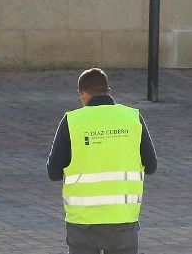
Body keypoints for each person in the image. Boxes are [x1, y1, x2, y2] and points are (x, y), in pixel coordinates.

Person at [47, 68, 158, 254]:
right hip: (122, 220)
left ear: (82, 94)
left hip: (82, 223)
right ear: (109, 91)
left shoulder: (72, 121)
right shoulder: (132, 118)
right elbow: (151, 166)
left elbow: (53, 172)